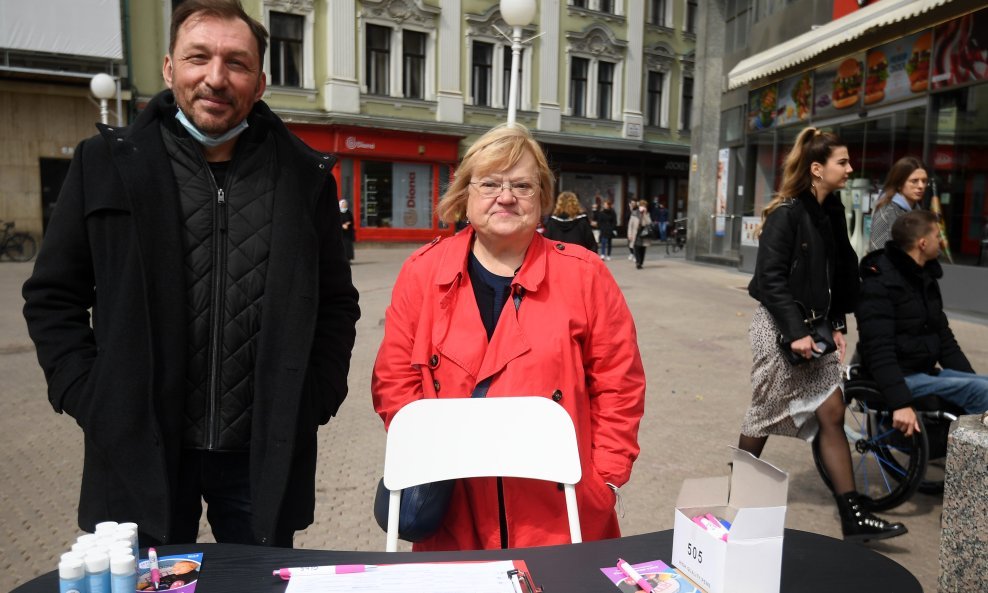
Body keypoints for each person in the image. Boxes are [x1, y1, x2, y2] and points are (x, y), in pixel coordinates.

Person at [22, 0, 360, 548]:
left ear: (261, 80)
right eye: (198, 57)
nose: (215, 77)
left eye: (237, 62)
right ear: (169, 68)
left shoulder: (304, 177)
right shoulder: (106, 164)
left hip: (261, 453)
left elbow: (337, 304)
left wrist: (314, 398)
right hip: (139, 445)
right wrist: (91, 397)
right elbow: (51, 297)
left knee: (257, 587)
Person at [371, 123, 646, 551]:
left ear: (543, 199)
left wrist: (603, 481)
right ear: (465, 194)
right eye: (490, 183)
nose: (506, 196)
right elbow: (393, 378)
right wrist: (423, 453)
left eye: (522, 185)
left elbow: (619, 384)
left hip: (560, 512)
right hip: (455, 510)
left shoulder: (585, 274)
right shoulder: (423, 272)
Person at [740, 126, 906, 543]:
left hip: (812, 327)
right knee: (761, 416)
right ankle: (733, 495)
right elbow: (770, 279)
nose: (851, 169)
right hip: (779, 329)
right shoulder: (787, 212)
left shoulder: (829, 211)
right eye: (842, 162)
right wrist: (795, 332)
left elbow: (839, 272)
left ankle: (853, 515)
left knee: (832, 412)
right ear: (817, 168)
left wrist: (836, 324)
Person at [857, 210, 988, 436]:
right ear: (922, 242)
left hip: (924, 371)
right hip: (898, 376)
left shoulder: (924, 277)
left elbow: (945, 341)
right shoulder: (879, 284)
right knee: (981, 390)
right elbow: (879, 351)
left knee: (981, 385)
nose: (942, 241)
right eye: (938, 236)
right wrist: (899, 402)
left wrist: (970, 380)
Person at [867, 156, 928, 252]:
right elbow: (877, 255)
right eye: (914, 181)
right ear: (899, 184)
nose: (921, 186)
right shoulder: (887, 212)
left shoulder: (918, 212)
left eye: (924, 181)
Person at [626, 199, 652, 269]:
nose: (643, 207)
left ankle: (641, 262)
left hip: (644, 233)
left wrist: (645, 214)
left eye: (644, 206)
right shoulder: (634, 213)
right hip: (636, 233)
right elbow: (630, 225)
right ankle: (638, 262)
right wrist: (629, 234)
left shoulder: (647, 214)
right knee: (636, 248)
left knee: (642, 249)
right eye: (641, 206)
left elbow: (649, 223)